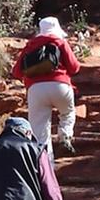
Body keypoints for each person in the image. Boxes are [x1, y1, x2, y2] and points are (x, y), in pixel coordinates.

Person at [12, 16, 81, 157]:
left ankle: (45, 168)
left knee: (40, 133)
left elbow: (16, 72)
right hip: (60, 86)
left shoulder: (30, 45)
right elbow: (74, 68)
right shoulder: (60, 42)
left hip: (36, 90)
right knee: (67, 113)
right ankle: (65, 136)